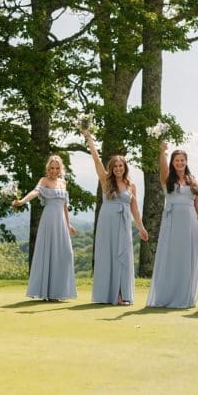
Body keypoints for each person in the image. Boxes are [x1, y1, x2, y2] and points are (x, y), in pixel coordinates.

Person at [82, 129, 148, 305]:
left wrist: (141, 227)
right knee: (108, 256)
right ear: (111, 168)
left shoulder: (131, 185)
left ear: (125, 168)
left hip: (124, 223)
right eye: (115, 166)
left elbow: (135, 209)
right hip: (107, 222)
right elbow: (96, 160)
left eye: (121, 166)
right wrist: (89, 138)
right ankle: (109, 295)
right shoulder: (105, 180)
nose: (118, 168)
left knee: (123, 256)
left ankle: (122, 294)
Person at [146, 142, 198, 308]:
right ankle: (166, 294)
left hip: (190, 223)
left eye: (182, 160)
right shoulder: (167, 179)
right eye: (176, 160)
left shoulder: (192, 181)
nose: (180, 163)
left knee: (187, 258)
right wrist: (162, 152)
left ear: (186, 162)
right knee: (171, 256)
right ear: (173, 163)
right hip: (172, 222)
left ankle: (185, 295)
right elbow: (163, 168)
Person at [13, 156, 77, 301]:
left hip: (61, 222)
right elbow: (35, 192)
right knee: (49, 253)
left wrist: (68, 224)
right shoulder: (44, 180)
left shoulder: (63, 182)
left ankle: (58, 291)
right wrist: (22, 201)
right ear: (48, 168)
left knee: (65, 253)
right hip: (49, 221)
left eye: (57, 168)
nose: (54, 171)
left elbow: (64, 206)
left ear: (61, 169)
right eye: (52, 168)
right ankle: (48, 293)